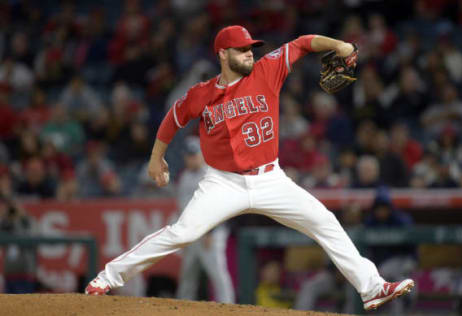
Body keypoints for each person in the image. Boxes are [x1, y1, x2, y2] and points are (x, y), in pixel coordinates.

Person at [85, 25, 414, 311]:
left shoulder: (267, 70)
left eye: (251, 49)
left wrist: (339, 45)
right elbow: (173, 119)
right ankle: (107, 278)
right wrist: (156, 158)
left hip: (271, 179)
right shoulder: (202, 94)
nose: (250, 54)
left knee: (324, 220)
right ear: (223, 54)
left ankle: (371, 287)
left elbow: (301, 43)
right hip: (222, 183)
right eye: (242, 50)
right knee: (183, 233)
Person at [175, 136, 234, 303]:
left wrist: (210, 231)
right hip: (192, 232)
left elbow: (219, 206)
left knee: (217, 272)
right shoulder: (185, 176)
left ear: (202, 154)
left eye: (194, 154)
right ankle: (180, 309)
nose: (191, 158)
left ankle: (229, 307)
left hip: (211, 233)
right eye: (188, 155)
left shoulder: (212, 173)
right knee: (188, 273)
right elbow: (182, 208)